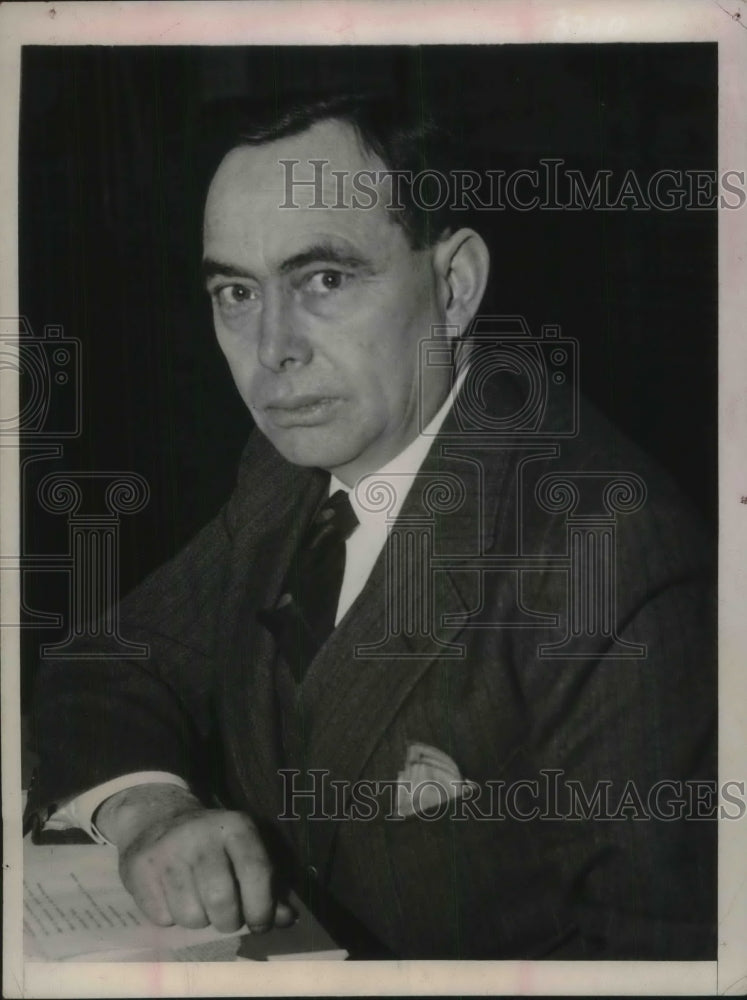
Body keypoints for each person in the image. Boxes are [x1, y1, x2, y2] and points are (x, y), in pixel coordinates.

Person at [25, 93, 716, 959]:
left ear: (454, 285)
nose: (273, 346)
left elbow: (657, 964)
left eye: (324, 280)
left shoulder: (611, 560)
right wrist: (152, 809)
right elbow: (111, 662)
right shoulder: (289, 462)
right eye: (236, 291)